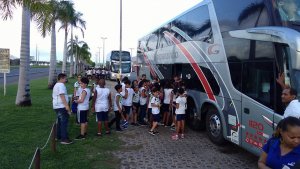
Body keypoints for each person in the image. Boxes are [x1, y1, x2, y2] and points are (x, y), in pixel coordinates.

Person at [52, 73, 72, 144]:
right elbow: (62, 95)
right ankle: (64, 139)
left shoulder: (57, 85)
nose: (66, 80)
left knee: (60, 122)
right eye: (65, 78)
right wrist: (67, 106)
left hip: (57, 106)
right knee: (64, 122)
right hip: (61, 106)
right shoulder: (61, 85)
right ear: (61, 78)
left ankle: (58, 136)